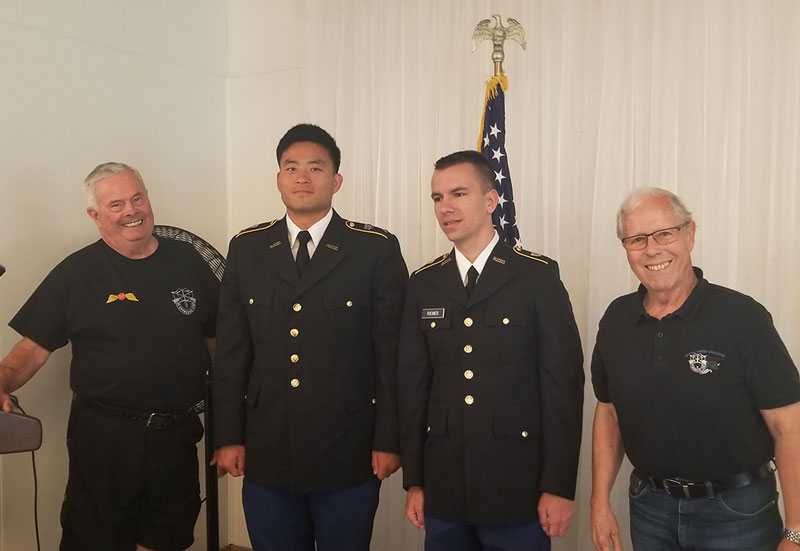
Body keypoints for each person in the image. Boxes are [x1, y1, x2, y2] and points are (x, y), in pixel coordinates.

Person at [0, 162, 219, 551]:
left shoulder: (188, 260)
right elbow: (32, 349)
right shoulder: (77, 272)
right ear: (95, 215)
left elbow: (218, 344)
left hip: (176, 436)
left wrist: (235, 424)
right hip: (103, 440)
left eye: (138, 197)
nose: (132, 210)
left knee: (166, 538)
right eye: (116, 204)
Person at [212, 123, 408, 551]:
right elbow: (231, 352)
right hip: (267, 448)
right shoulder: (247, 248)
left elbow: (391, 354)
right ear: (278, 178)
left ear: (336, 180)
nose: (303, 177)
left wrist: (389, 440)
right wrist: (228, 435)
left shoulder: (374, 248)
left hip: (348, 449)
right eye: (291, 167)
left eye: (316, 168)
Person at [590, 187, 800, 551]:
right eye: (637, 239)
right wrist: (598, 502)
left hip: (738, 513)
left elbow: (789, 427)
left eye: (664, 233)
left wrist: (796, 531)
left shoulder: (743, 317)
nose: (652, 249)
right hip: (649, 508)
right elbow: (609, 412)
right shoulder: (616, 320)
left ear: (690, 234)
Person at [397, 150, 584, 551]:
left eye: (458, 194)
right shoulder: (424, 283)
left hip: (516, 487)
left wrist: (558, 486)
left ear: (490, 200)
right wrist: (415, 481)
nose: (445, 207)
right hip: (444, 487)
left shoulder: (536, 276)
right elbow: (413, 390)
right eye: (437, 198)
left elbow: (562, 391)